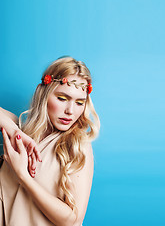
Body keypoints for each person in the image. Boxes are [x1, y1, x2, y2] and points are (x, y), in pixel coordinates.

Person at [0, 56, 100, 226]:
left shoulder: (77, 146)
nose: (70, 111)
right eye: (62, 98)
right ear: (43, 92)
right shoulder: (20, 131)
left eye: (79, 102)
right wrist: (14, 131)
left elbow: (72, 220)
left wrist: (23, 176)